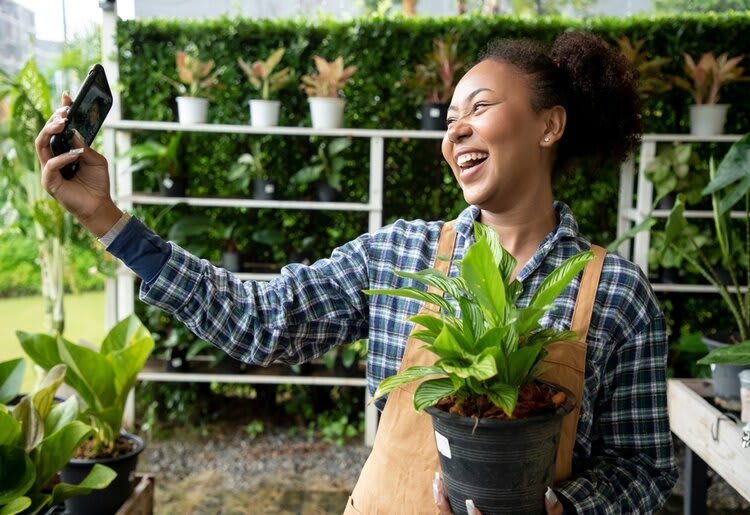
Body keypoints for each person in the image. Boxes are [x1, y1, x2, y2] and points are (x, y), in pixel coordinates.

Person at [36, 30, 677, 514]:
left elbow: (645, 471)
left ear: (549, 125)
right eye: (450, 121)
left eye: (478, 109)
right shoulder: (400, 255)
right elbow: (259, 322)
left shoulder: (619, 295)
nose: (456, 133)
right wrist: (108, 222)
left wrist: (565, 508)